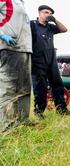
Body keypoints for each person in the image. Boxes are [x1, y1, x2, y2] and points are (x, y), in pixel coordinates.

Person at [30, 5, 70, 119]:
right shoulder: (32, 24)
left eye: (50, 13)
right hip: (37, 60)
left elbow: (64, 29)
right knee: (41, 86)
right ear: (39, 13)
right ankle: (38, 111)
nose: (48, 15)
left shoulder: (50, 27)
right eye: (46, 12)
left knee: (57, 84)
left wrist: (54, 20)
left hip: (51, 59)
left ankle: (62, 109)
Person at [0, 0, 32, 133]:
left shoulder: (20, 2)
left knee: (24, 89)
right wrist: (2, 34)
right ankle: (6, 128)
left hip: (24, 49)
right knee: (9, 90)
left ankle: (23, 121)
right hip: (10, 48)